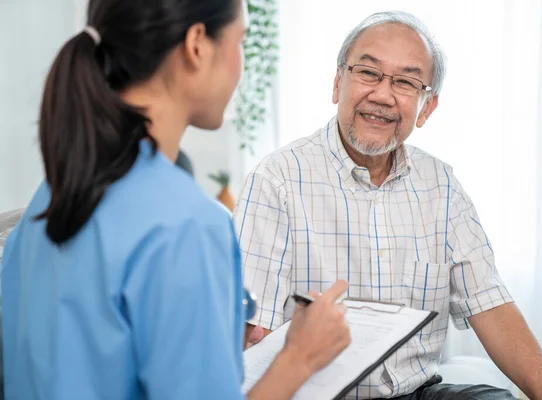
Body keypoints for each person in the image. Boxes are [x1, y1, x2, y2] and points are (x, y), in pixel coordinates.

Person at [0, 0, 351, 399]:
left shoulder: (51, 197)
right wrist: (300, 357)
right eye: (241, 41)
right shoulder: (186, 224)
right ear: (197, 44)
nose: (241, 66)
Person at [234, 11, 542, 400]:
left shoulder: (441, 185)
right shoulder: (277, 180)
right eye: (368, 73)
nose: (382, 94)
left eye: (406, 82)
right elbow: (250, 334)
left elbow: (491, 305)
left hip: (418, 392)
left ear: (426, 107)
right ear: (338, 81)